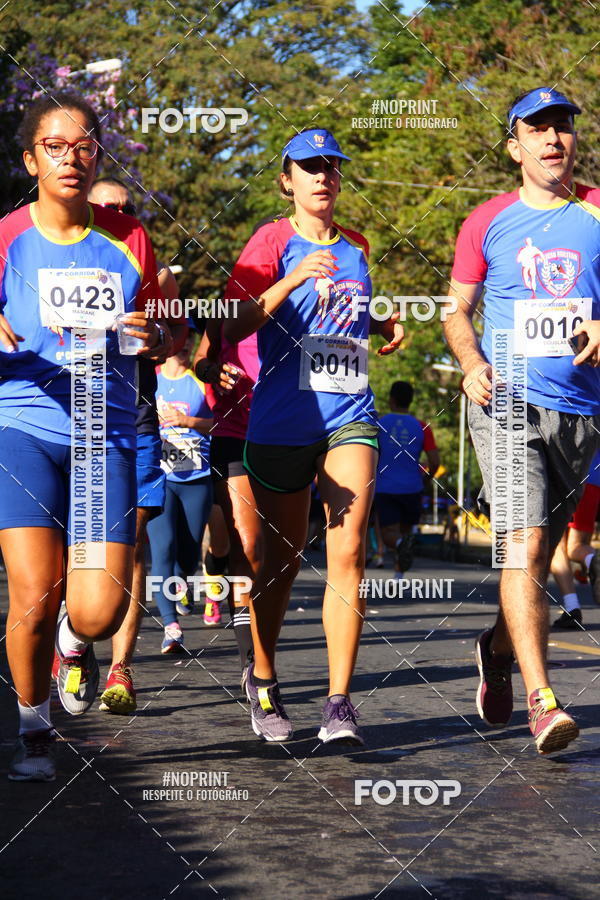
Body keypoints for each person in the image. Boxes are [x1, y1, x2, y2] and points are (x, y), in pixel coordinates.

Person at [0, 91, 164, 781]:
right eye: (55, 147)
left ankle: (79, 642)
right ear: (31, 158)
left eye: (84, 145)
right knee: (34, 596)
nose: (71, 157)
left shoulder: (129, 237)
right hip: (22, 427)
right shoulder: (6, 235)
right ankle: (34, 730)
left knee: (94, 613)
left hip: (106, 433)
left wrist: (150, 334)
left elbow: (171, 328)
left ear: (99, 151)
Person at [224, 127, 404, 744]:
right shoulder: (272, 240)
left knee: (348, 548)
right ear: (287, 180)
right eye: (309, 167)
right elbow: (237, 319)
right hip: (281, 421)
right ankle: (265, 677)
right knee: (282, 559)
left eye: (331, 166)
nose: (323, 176)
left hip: (349, 412)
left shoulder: (357, 246)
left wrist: (381, 321)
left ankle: (338, 703)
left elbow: (343, 316)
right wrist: (292, 277)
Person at [443, 87, 600, 754]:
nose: (552, 138)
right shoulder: (487, 221)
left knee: (539, 556)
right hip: (504, 399)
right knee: (526, 544)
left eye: (561, 126)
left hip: (582, 412)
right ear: (514, 147)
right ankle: (543, 701)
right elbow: (455, 310)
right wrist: (472, 360)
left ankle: (497, 647)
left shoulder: (596, 211)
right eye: (537, 129)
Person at [87, 176, 186, 713]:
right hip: (68, 421)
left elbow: (173, 340)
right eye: (106, 205)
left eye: (123, 207)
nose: (116, 213)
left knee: (130, 547)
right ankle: (75, 646)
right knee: (66, 547)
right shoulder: (47, 252)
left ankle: (120, 667)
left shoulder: (144, 268)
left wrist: (158, 334)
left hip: (137, 423)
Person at [194, 318, 260, 687]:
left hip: (284, 436)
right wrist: (212, 369)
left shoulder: (296, 303)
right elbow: (200, 360)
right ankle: (252, 663)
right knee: (246, 547)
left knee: (278, 554)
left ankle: (262, 643)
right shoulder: (227, 311)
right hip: (233, 435)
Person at [148, 337, 213, 652]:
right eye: (178, 336)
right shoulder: (150, 378)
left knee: (187, 555)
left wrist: (188, 422)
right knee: (163, 548)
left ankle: (181, 580)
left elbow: (224, 424)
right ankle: (170, 625)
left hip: (196, 477)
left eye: (189, 337)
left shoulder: (202, 380)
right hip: (158, 477)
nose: (185, 343)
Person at [375, 381, 440, 578]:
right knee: (405, 532)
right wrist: (428, 478)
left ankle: (400, 549)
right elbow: (434, 461)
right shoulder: (422, 427)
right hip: (413, 487)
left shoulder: (379, 424)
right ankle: (398, 577)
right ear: (410, 401)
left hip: (385, 487)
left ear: (391, 399)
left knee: (389, 535)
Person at [551, 448, 600, 628]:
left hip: (566, 476)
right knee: (577, 546)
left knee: (557, 546)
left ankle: (572, 609)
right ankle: (591, 560)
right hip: (595, 481)